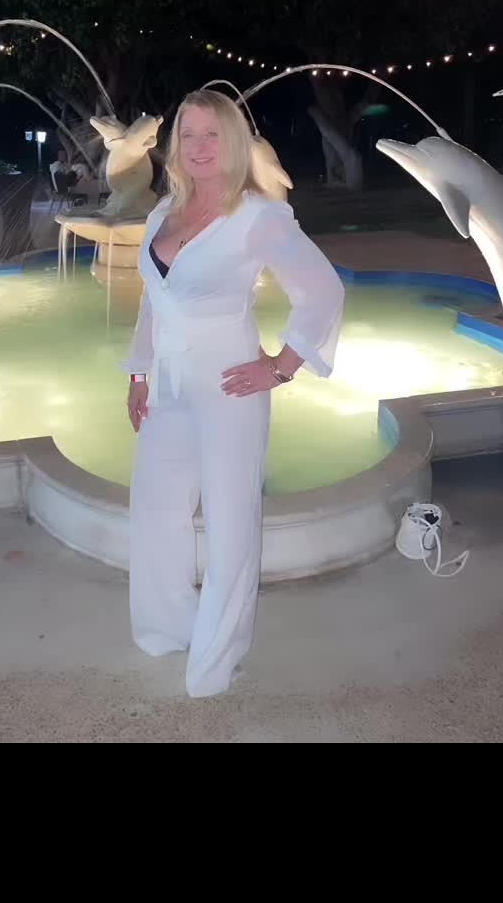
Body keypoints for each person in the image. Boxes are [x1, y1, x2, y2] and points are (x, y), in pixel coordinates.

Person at [123, 90, 345, 698]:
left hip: (230, 385)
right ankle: (169, 627)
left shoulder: (258, 215)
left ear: (234, 142)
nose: (198, 146)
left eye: (211, 134)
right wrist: (138, 374)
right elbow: (154, 300)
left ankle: (216, 660)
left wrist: (282, 366)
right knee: (156, 509)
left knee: (230, 525)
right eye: (187, 134)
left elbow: (323, 289)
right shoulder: (162, 212)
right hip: (168, 385)